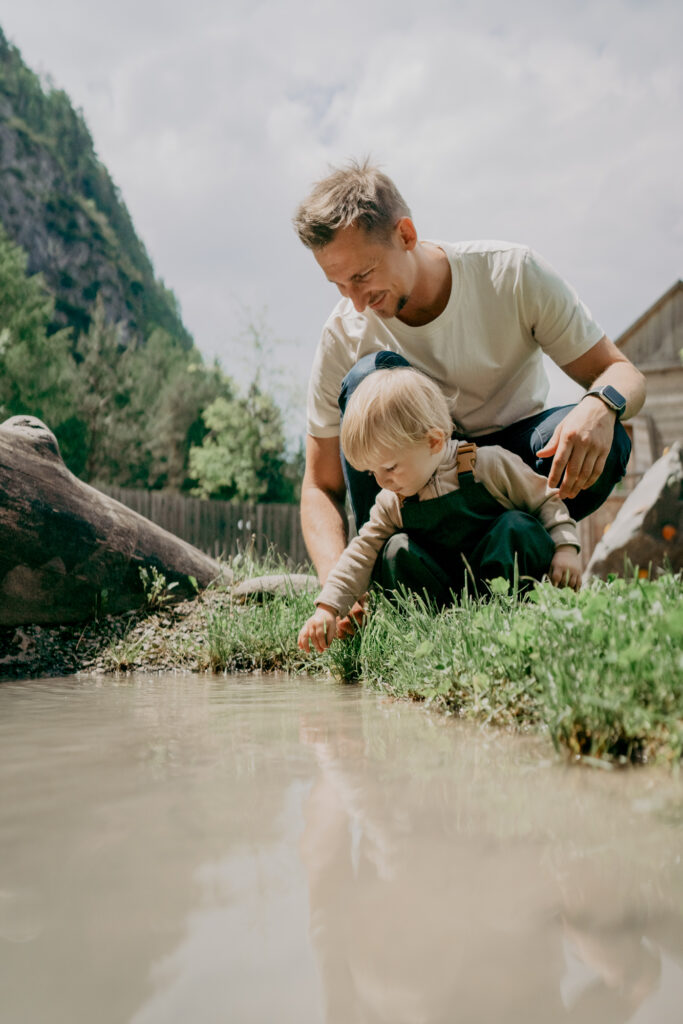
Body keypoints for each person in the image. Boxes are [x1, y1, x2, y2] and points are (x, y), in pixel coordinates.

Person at [293, 159, 646, 633]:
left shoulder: (512, 274)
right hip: (415, 499)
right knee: (365, 380)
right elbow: (320, 484)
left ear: (406, 234)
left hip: (514, 472)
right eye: (338, 284)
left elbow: (623, 373)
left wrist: (601, 404)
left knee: (611, 437)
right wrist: (336, 589)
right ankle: (395, 583)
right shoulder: (344, 332)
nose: (355, 301)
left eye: (363, 276)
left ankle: (524, 567)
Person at [298, 367, 581, 653]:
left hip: (497, 583)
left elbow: (545, 499)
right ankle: (424, 633)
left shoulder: (489, 465)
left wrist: (566, 547)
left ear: (434, 441)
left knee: (518, 527)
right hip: (438, 594)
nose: (382, 481)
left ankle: (510, 617)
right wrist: (328, 607)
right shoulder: (392, 500)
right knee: (395, 549)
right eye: (373, 473)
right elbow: (361, 552)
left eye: (390, 467)